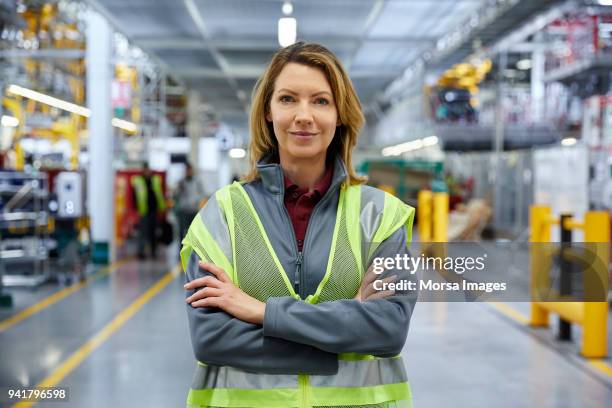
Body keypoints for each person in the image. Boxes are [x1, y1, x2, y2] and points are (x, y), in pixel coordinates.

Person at [181, 42, 417, 408]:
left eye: (320, 101)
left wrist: (262, 312)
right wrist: (341, 334)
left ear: (340, 114)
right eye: (288, 99)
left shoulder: (380, 216)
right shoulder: (222, 216)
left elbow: (388, 327)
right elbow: (213, 338)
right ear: (268, 112)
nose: (304, 115)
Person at [131, 163, 166, 259]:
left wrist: (162, 208)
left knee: (153, 232)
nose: (147, 171)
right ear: (143, 170)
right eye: (145, 169)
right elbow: (134, 196)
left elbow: (160, 194)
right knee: (143, 232)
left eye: (148, 169)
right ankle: (141, 252)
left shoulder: (155, 180)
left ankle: (153, 252)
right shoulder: (138, 180)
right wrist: (136, 209)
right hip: (143, 211)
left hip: (154, 210)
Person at [173, 162, 206, 243]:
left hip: (194, 210)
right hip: (183, 211)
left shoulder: (197, 182)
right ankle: (181, 250)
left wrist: (195, 200)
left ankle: (193, 250)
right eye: (187, 170)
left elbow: (202, 194)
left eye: (190, 170)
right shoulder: (181, 182)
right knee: (182, 232)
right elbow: (175, 196)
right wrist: (179, 189)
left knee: (194, 232)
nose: (189, 172)